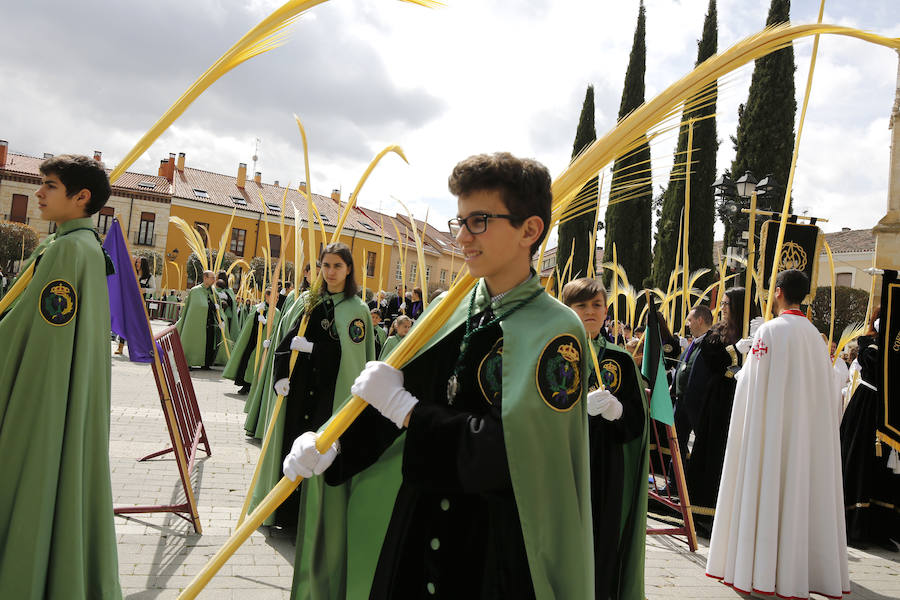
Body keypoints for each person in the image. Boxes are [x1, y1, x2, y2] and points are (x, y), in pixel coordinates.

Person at [283, 152, 593, 599]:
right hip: (421, 525)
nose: (462, 237)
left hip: (490, 548)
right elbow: (406, 392)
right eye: (460, 222)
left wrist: (410, 413)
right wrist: (334, 446)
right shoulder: (452, 309)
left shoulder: (556, 332)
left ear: (530, 230)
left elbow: (515, 455)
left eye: (479, 221)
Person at [0, 154, 121, 598]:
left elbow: (39, 333)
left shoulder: (69, 249)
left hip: (43, 400)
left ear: (81, 197)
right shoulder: (81, 247)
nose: (38, 193)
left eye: (49, 185)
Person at [707, 269, 850, 598]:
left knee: (768, 491)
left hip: (769, 434)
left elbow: (750, 387)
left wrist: (746, 360)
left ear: (779, 292)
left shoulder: (769, 331)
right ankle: (794, 573)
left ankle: (758, 570)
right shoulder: (815, 336)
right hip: (802, 437)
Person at [260, 243, 374, 534]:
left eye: (337, 266)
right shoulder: (313, 301)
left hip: (330, 397)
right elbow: (287, 342)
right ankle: (287, 516)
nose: (331, 272)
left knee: (320, 454)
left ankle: (313, 523)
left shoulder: (356, 310)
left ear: (348, 269)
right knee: (294, 449)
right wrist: (281, 374)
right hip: (300, 395)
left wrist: (315, 349)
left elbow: (351, 359)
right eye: (326, 265)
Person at [562, 277, 648, 600]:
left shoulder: (621, 360)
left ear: (607, 310)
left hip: (606, 466)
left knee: (602, 540)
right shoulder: (555, 353)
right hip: (566, 462)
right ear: (567, 309)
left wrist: (618, 412)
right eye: (581, 305)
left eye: (596, 304)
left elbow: (638, 424)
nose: (590, 312)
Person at [685, 288, 759, 530]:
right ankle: (703, 511)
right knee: (712, 450)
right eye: (722, 302)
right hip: (720, 398)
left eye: (727, 303)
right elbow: (711, 357)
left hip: (746, 396)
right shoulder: (718, 331)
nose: (723, 307)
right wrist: (736, 350)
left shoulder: (756, 328)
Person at [840, 307, 899, 550]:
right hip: (866, 410)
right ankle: (854, 526)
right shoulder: (869, 347)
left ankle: (880, 528)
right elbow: (876, 369)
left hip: (888, 413)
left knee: (884, 472)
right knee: (861, 464)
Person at [671, 305, 712, 461]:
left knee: (698, 445)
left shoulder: (711, 343)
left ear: (700, 320)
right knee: (676, 443)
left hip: (697, 404)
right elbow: (684, 365)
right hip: (681, 402)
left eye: (690, 320)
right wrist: (674, 386)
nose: (687, 324)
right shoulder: (694, 343)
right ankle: (674, 482)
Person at [223, 289, 273, 395]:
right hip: (253, 339)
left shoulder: (275, 311)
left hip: (264, 341)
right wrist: (258, 315)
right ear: (267, 296)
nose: (276, 299)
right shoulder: (257, 308)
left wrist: (265, 321)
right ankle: (246, 385)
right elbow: (250, 324)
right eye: (274, 296)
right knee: (247, 360)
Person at [175, 270, 223, 369]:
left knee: (209, 343)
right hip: (196, 322)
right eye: (212, 278)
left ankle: (206, 363)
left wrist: (219, 314)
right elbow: (196, 306)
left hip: (210, 322)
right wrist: (210, 306)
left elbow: (218, 305)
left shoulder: (213, 291)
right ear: (205, 278)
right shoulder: (195, 290)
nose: (214, 280)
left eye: (215, 278)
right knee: (193, 340)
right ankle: (188, 361)